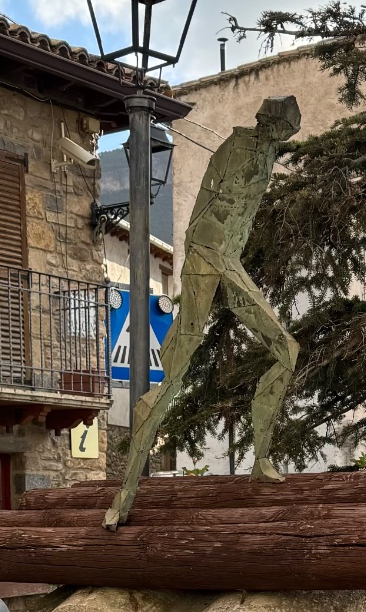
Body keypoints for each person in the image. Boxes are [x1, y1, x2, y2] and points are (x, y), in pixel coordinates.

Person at [105, 95, 301, 528]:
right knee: (174, 374)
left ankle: (261, 460)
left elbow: (241, 220)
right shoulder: (237, 147)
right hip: (205, 259)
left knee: (287, 349)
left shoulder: (265, 157)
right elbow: (206, 212)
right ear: (269, 124)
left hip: (227, 261)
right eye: (281, 131)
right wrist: (202, 260)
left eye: (286, 136)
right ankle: (125, 495)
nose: (282, 140)